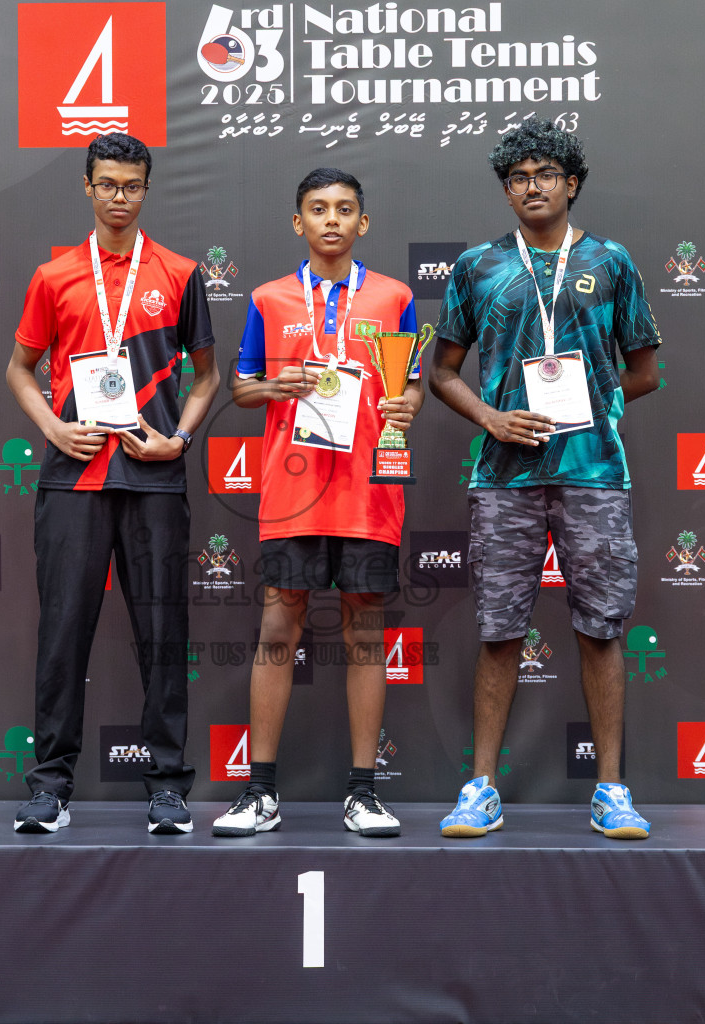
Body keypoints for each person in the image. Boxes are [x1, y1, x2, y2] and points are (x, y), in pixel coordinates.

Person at [427, 116, 662, 840]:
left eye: (546, 175)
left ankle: (612, 791)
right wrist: (492, 419)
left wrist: (598, 403)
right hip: (505, 476)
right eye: (519, 178)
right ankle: (481, 788)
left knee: (601, 630)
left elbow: (647, 371)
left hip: (594, 472)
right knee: (499, 631)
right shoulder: (477, 267)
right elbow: (441, 371)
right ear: (507, 192)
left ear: (572, 184)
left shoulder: (614, 262)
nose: (533, 187)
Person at [5, 132, 221, 835]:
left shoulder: (181, 273)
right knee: (63, 634)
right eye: (107, 184)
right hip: (73, 479)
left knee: (162, 636)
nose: (119, 196)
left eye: (131, 185)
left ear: (146, 189)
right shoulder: (55, 275)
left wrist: (180, 440)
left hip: (153, 482)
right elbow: (19, 369)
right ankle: (50, 787)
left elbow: (208, 375)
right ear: (88, 188)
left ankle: (166, 787)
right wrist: (54, 430)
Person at [211, 168, 421, 839]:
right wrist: (278, 384)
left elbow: (411, 388)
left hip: (369, 492)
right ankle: (260, 793)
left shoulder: (395, 298)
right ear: (298, 223)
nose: (332, 220)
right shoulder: (270, 299)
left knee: (365, 635)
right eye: (318, 209)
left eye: (345, 209)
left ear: (364, 223)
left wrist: (405, 407)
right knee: (279, 633)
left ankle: (363, 792)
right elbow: (241, 389)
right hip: (293, 494)